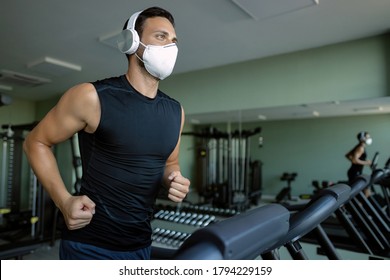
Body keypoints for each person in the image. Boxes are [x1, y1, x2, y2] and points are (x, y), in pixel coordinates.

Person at [23, 6, 190, 260]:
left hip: (141, 244)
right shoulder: (91, 97)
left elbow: (170, 163)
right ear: (132, 42)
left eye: (174, 40)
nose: (171, 46)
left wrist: (172, 180)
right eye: (161, 36)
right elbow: (36, 142)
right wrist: (64, 201)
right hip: (90, 246)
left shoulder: (175, 111)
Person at [345, 131, 372, 196]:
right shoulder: (360, 148)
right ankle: (361, 205)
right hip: (355, 172)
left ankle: (361, 204)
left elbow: (348, 155)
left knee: (365, 192)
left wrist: (360, 161)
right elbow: (354, 160)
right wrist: (366, 162)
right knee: (366, 192)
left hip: (355, 172)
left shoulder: (359, 146)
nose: (369, 138)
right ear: (362, 138)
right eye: (367, 137)